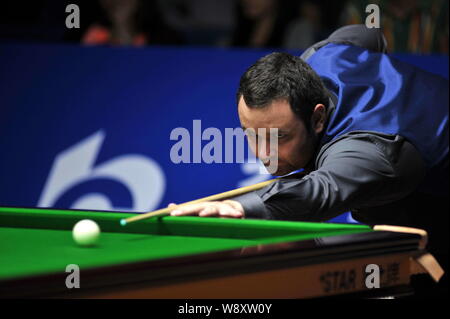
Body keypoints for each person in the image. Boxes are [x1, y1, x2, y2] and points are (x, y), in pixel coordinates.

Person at [168, 25, 449, 297]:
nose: (263, 155)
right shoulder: (322, 55)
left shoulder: (371, 151)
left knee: (328, 251)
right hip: (401, 180)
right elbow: (367, 34)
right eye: (251, 134)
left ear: (317, 119)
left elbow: (320, 190)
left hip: (427, 190)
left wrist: (239, 208)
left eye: (279, 137)